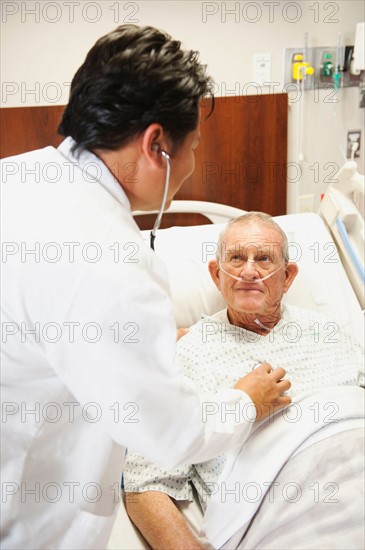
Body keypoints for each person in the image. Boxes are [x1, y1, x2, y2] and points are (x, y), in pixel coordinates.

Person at [0, 27, 291, 550]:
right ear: (157, 144)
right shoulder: (113, 264)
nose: (192, 165)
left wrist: (138, 339)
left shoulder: (16, 178)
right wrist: (245, 401)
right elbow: (171, 436)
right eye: (193, 148)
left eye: (266, 259)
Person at [123, 212, 364, 550]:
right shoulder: (185, 355)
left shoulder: (330, 333)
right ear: (216, 274)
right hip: (284, 513)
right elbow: (143, 482)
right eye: (236, 258)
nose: (249, 270)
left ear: (288, 277)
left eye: (264, 258)